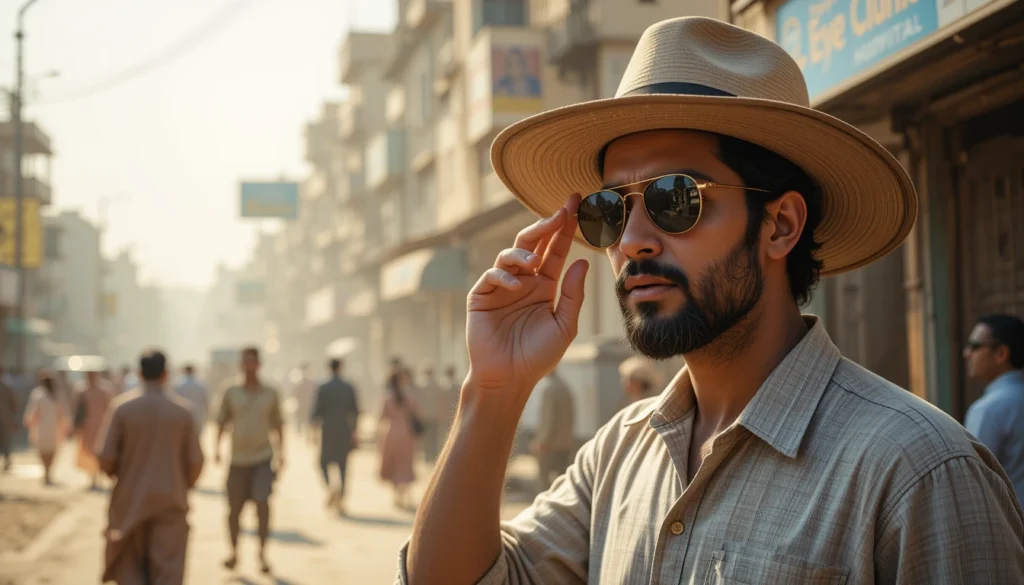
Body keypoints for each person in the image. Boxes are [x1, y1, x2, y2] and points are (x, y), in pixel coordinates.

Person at [400, 17, 1024, 585]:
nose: (634, 242)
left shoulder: (917, 472)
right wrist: (494, 390)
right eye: (611, 209)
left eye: (675, 198)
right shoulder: (618, 453)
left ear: (779, 225)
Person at [96, 349, 204, 585]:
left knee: (130, 571)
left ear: (140, 373)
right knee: (167, 573)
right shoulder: (182, 412)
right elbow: (195, 462)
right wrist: (181, 484)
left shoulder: (122, 408)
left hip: (129, 505)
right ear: (166, 374)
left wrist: (123, 475)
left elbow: (105, 458)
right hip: (170, 503)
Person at [214, 346, 284, 574]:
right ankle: (234, 553)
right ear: (241, 365)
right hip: (237, 460)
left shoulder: (270, 392)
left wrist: (282, 453)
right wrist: (216, 448)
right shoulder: (230, 391)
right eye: (246, 362)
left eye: (253, 361)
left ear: (259, 364)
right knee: (234, 510)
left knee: (262, 505)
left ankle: (262, 554)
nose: (250, 366)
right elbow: (221, 420)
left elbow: (278, 423)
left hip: (262, 458)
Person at [964, 314, 1024, 508]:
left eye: (974, 346)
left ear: (1001, 354)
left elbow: (972, 480)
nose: (966, 353)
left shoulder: (988, 409)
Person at [310, 358, 361, 514]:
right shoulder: (348, 386)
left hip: (328, 430)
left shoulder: (323, 387)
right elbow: (355, 411)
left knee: (323, 462)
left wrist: (313, 432)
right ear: (340, 368)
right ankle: (341, 499)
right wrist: (354, 431)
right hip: (344, 430)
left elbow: (316, 411)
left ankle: (331, 488)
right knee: (343, 465)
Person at [378, 369, 421, 510]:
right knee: (406, 463)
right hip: (406, 434)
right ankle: (405, 493)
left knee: (394, 463)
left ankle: (397, 495)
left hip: (391, 434)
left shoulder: (387, 399)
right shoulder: (409, 398)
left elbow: (381, 418)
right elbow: (419, 414)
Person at [529, 370, 575, 490]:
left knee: (544, 481)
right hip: (564, 443)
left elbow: (549, 419)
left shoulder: (550, 389)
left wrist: (542, 441)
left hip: (550, 445)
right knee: (562, 480)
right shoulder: (564, 387)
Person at [22, 371, 69, 486]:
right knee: (49, 451)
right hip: (50, 427)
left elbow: (32, 412)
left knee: (46, 451)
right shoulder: (45, 395)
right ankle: (48, 472)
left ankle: (47, 472)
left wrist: (29, 421)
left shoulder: (42, 395)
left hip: (44, 428)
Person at [73, 370, 115, 489]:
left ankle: (98, 477)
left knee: (100, 451)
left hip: (102, 426)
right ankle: (92, 478)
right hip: (87, 427)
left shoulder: (105, 389)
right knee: (88, 452)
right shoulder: (82, 389)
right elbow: (78, 409)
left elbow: (111, 407)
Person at [175, 364, 210, 439]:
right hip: (198, 417)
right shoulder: (201, 385)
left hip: (181, 418)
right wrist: (207, 415)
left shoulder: (178, 385)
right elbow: (206, 402)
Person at [0, 366, 18, 472]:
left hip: (5, 417)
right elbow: (14, 403)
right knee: (6, 440)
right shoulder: (7, 387)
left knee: (6, 440)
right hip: (5, 417)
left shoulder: (7, 386)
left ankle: (7, 460)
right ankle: (7, 460)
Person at [290, 363, 315, 436]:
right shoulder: (299, 382)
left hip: (308, 406)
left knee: (307, 424)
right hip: (302, 406)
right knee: (302, 424)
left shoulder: (309, 383)